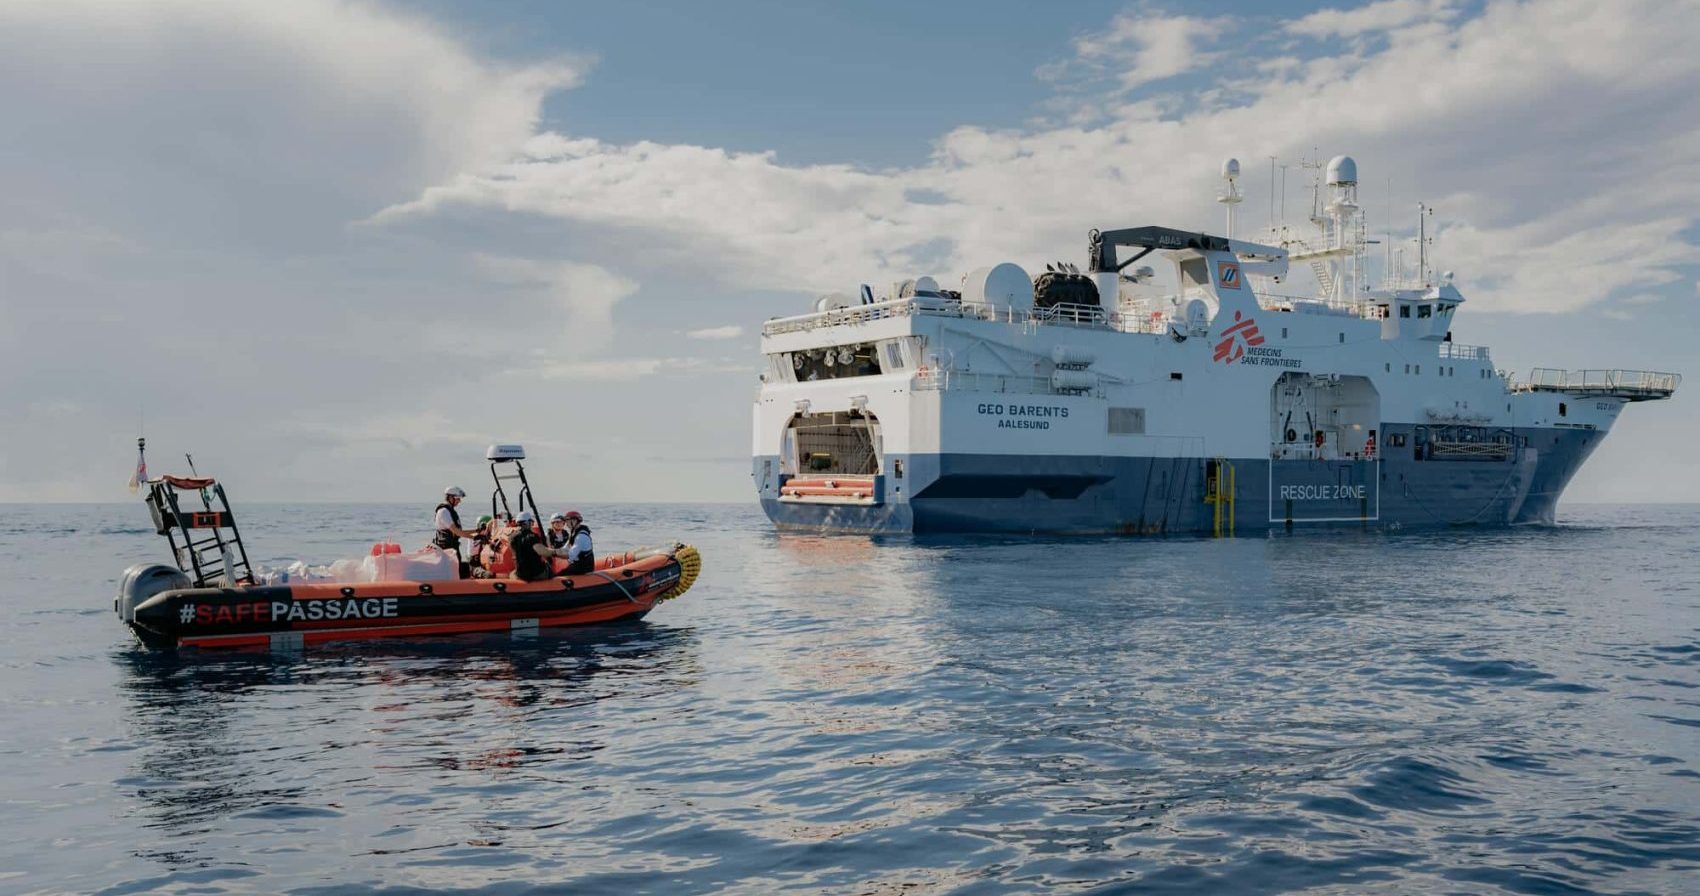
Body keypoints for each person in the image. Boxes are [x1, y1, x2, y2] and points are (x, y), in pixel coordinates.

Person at [432, 486, 481, 576]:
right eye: (457, 499)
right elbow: (456, 532)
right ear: (450, 498)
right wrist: (474, 537)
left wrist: (477, 531)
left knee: (460, 569)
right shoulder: (444, 512)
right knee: (457, 572)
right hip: (447, 550)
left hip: (452, 547)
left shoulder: (450, 511)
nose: (459, 501)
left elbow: (459, 532)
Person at [506, 510, 556, 582]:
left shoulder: (511, 538)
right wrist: (555, 552)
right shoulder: (532, 536)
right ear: (527, 523)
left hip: (521, 574)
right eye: (531, 523)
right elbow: (543, 552)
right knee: (548, 566)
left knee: (512, 573)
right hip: (536, 574)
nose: (531, 525)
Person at [555, 510, 595, 575]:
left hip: (584, 568)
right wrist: (551, 551)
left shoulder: (581, 536)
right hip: (578, 565)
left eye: (567, 521)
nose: (566, 524)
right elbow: (565, 548)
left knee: (559, 575)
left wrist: (553, 553)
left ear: (574, 521)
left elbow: (571, 555)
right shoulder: (574, 533)